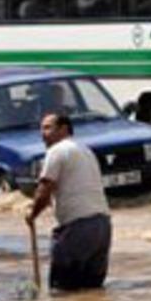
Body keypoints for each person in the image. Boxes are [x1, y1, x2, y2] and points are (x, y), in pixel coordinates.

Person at [25, 113, 112, 291]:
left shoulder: (57, 151)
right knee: (92, 293)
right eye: (41, 128)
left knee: (61, 292)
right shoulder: (86, 150)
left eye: (48, 127)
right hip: (103, 227)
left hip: (78, 228)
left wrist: (32, 213)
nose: (43, 133)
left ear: (64, 129)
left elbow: (44, 190)